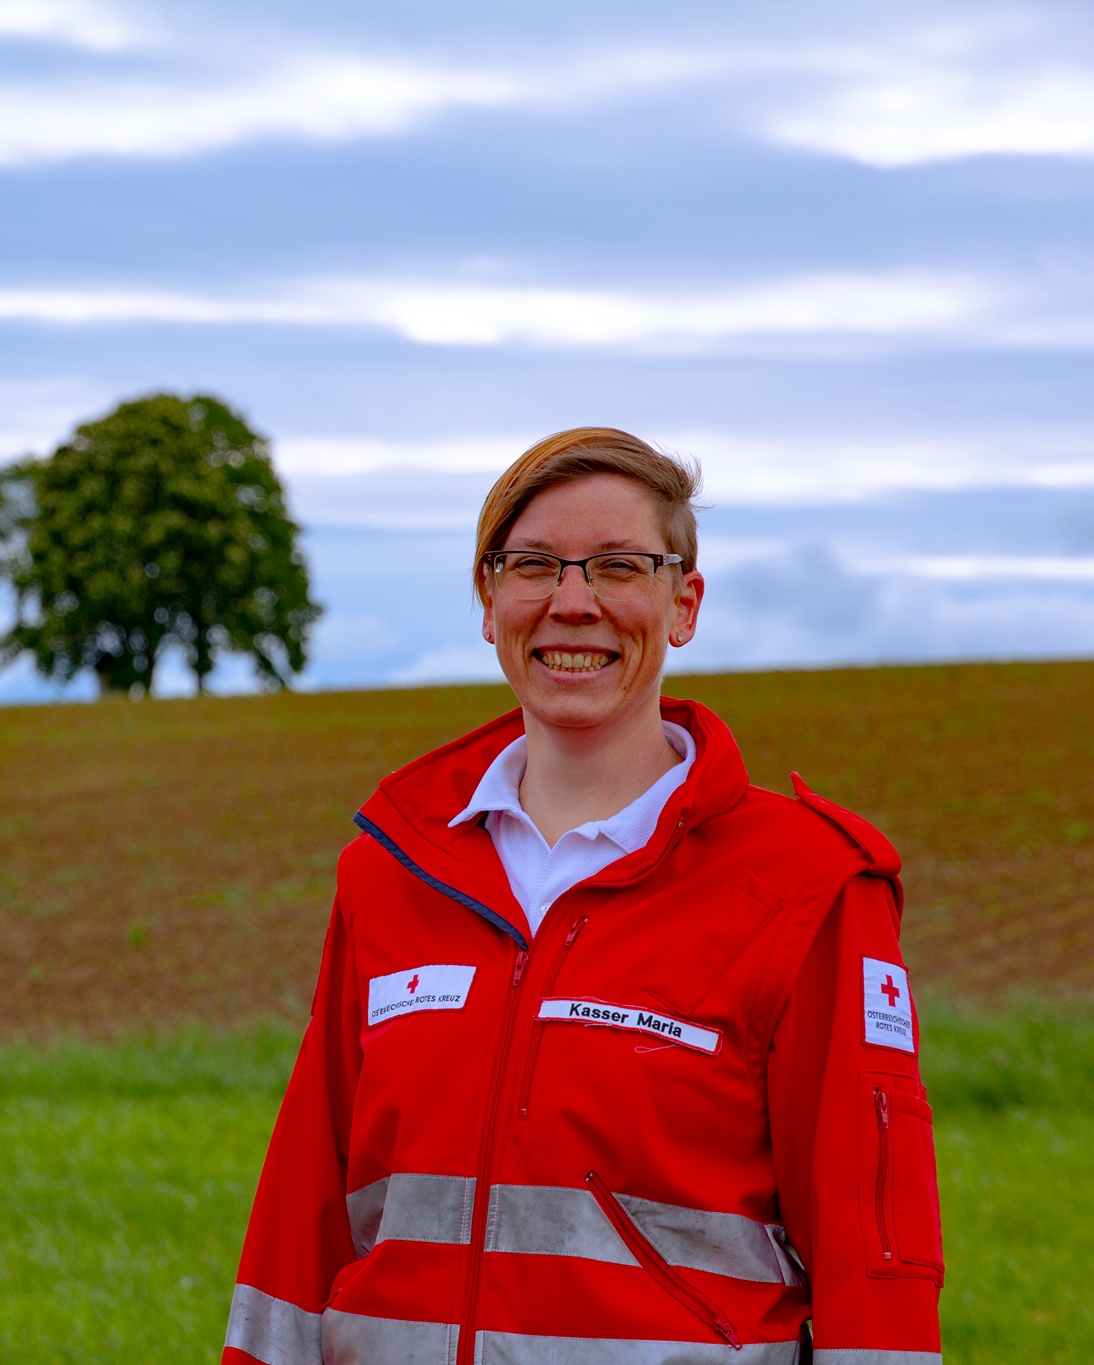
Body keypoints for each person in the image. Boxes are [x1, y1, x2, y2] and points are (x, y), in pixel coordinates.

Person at [224, 428, 942, 1364]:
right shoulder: (391, 868)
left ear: (683, 603)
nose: (573, 602)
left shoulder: (810, 886)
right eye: (534, 566)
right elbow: (302, 1214)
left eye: (618, 566)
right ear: (489, 601)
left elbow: (874, 1254)